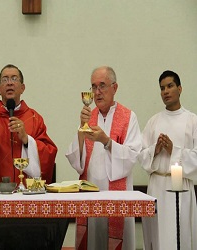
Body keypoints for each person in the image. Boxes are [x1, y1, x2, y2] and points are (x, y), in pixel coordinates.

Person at [65, 66, 141, 250]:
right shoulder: (88, 117)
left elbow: (132, 155)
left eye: (102, 86)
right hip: (91, 195)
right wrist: (81, 129)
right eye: (93, 87)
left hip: (116, 195)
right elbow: (78, 162)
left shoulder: (128, 117)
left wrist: (106, 142)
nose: (97, 92)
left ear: (115, 88)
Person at [0, 60, 57, 186]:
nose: (9, 83)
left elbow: (49, 153)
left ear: (22, 88)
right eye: (5, 80)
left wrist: (26, 139)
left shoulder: (35, 118)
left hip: (26, 192)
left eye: (14, 79)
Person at [139, 70, 197, 250]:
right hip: (157, 186)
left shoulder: (192, 121)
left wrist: (174, 150)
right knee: (157, 238)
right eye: (162, 88)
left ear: (180, 89)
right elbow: (141, 154)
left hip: (182, 188)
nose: (165, 91)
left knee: (181, 236)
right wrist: (155, 150)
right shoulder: (153, 122)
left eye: (170, 86)